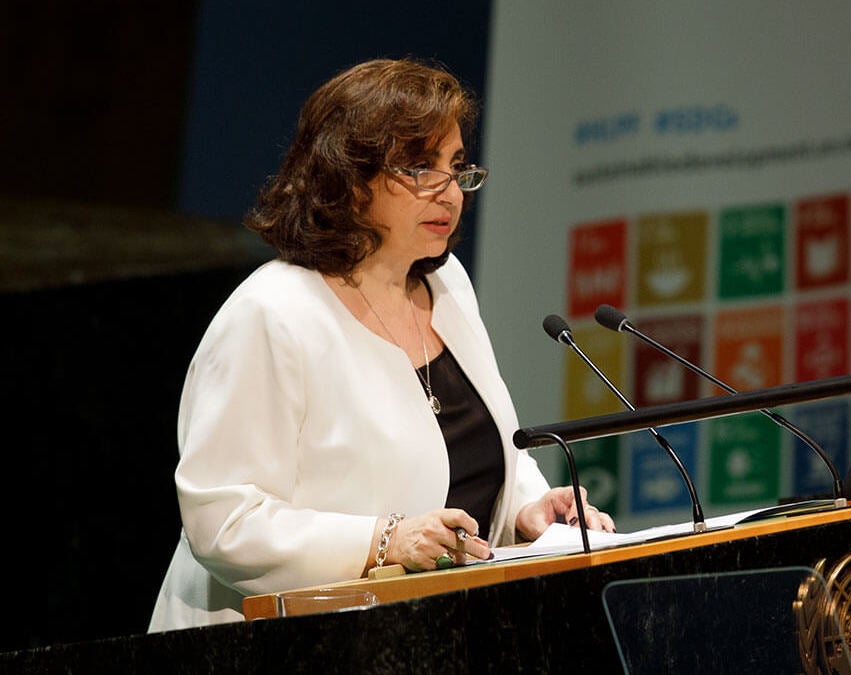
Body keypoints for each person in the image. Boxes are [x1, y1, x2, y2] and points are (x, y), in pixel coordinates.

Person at [149, 58, 614, 631]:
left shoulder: (446, 285)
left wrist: (527, 510)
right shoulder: (272, 315)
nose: (451, 192)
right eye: (421, 167)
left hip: (417, 634)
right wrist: (382, 540)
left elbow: (483, 449)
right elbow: (222, 521)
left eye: (458, 166)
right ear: (349, 178)